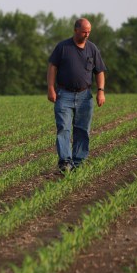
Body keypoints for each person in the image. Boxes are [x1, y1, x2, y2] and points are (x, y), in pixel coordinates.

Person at [47, 17, 106, 173]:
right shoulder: (63, 47)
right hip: (63, 95)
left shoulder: (92, 49)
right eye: (84, 32)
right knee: (63, 128)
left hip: (85, 96)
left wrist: (101, 91)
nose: (87, 35)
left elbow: (99, 71)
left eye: (89, 32)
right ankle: (65, 162)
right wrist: (51, 88)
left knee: (82, 130)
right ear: (75, 30)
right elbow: (52, 67)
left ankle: (78, 162)